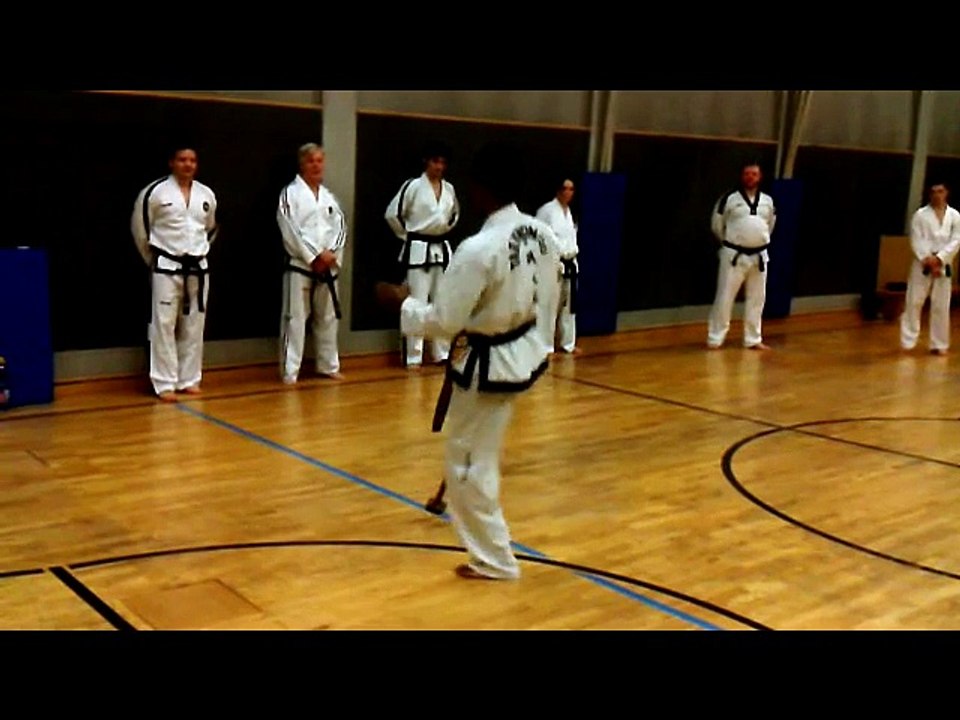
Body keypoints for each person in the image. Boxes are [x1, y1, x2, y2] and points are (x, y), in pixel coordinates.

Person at [376, 141, 558, 581]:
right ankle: (492, 555)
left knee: (467, 464)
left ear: (480, 189)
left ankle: (496, 559)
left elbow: (443, 319)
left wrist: (401, 303)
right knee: (477, 452)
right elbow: (549, 300)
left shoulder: (480, 248)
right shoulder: (542, 234)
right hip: (522, 353)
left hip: (491, 364)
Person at [131, 144, 218, 402]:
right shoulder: (154, 192)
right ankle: (164, 382)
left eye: (192, 160)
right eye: (182, 159)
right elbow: (140, 228)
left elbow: (210, 229)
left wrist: (197, 252)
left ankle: (189, 378)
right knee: (164, 324)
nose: (188, 164)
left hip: (198, 267)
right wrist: (155, 259)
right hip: (166, 265)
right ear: (171, 162)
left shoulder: (206, 194)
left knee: (194, 324)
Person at [385, 141, 460, 369]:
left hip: (441, 250)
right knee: (417, 302)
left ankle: (441, 352)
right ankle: (413, 355)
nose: (439, 166)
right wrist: (408, 237)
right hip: (418, 249)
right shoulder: (413, 186)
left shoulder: (449, 189)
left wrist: (444, 228)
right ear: (426, 161)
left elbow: (455, 214)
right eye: (435, 161)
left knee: (441, 301)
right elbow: (392, 214)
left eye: (443, 162)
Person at [277, 143, 348, 384]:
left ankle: (328, 365)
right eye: (311, 161)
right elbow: (290, 229)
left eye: (320, 160)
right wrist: (315, 255)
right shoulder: (290, 194)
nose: (316, 165)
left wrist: (330, 255)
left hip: (328, 266)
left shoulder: (330, 198)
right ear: (302, 164)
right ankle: (290, 371)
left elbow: (340, 228)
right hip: (301, 264)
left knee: (328, 318)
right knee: (295, 319)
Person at [706, 160, 777, 350]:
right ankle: (715, 338)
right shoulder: (729, 199)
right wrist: (732, 243)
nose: (750, 177)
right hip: (733, 255)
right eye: (747, 173)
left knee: (757, 299)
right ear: (741, 176)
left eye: (754, 174)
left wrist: (757, 240)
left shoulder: (767, 201)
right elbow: (717, 225)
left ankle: (753, 339)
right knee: (725, 297)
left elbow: (769, 225)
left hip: (759, 256)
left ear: (760, 177)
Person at [900, 181, 960, 355]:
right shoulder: (920, 215)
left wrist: (940, 259)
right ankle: (908, 341)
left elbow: (956, 240)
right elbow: (916, 239)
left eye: (940, 191)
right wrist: (928, 259)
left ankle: (939, 344)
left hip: (944, 263)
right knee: (914, 301)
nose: (937, 194)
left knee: (941, 304)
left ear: (946, 192)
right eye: (934, 191)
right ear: (929, 194)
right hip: (922, 262)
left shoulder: (955, 216)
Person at [535, 176, 580, 354]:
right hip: (552, 264)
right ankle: (545, 345)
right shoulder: (546, 211)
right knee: (549, 306)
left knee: (569, 307)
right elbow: (538, 238)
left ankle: (568, 343)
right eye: (565, 189)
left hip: (570, 262)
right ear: (558, 191)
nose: (569, 193)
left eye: (572, 189)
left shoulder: (570, 213)